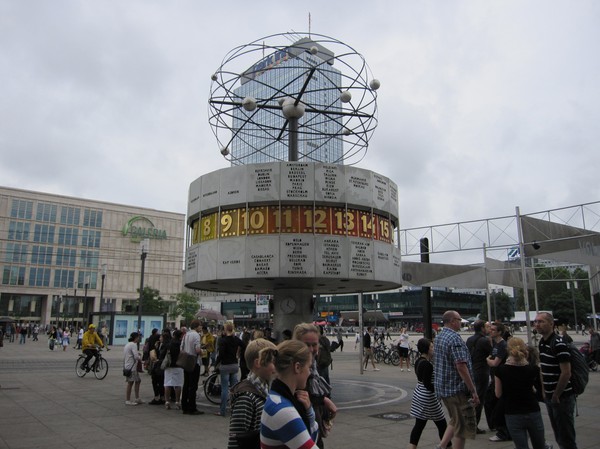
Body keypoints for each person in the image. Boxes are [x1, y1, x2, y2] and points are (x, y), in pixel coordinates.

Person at [260, 339, 319, 449]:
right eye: (309, 367)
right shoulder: (283, 411)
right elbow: (313, 441)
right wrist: (311, 415)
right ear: (297, 367)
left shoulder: (276, 399)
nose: (310, 373)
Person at [433, 310, 479, 449]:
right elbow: (461, 366)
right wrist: (473, 390)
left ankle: (442, 446)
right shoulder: (454, 339)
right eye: (459, 319)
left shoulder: (440, 336)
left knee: (455, 419)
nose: (461, 321)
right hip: (456, 389)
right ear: (452, 321)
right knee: (462, 425)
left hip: (444, 388)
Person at [535, 312, 578, 449]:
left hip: (562, 397)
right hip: (549, 396)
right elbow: (543, 368)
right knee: (558, 433)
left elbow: (566, 373)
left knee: (566, 435)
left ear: (551, 324)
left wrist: (556, 395)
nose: (537, 324)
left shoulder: (559, 344)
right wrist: (544, 390)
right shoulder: (542, 343)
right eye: (536, 321)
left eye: (541, 321)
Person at [494, 337, 545, 449]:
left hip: (512, 412)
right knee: (540, 445)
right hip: (532, 410)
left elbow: (498, 394)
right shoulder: (534, 369)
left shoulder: (500, 370)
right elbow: (542, 392)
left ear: (508, 349)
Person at [293, 323, 338, 449]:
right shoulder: (296, 370)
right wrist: (323, 400)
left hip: (314, 428)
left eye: (315, 344)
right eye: (307, 345)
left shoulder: (313, 367)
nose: (312, 349)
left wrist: (323, 402)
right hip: (302, 429)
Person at [227, 338, 277, 449]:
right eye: (273, 362)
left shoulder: (265, 389)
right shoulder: (246, 397)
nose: (276, 367)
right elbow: (236, 439)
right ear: (258, 363)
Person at [408, 338, 449, 449]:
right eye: (431, 347)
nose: (433, 349)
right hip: (428, 398)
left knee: (419, 425)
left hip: (419, 394)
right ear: (427, 349)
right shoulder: (427, 365)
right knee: (442, 424)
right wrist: (440, 389)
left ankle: (412, 447)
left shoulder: (418, 361)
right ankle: (447, 446)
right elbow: (428, 385)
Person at [485, 321, 510, 442]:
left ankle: (503, 430)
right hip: (495, 377)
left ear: (500, 332)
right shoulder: (495, 344)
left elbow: (494, 362)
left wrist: (488, 360)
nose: (490, 331)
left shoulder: (502, 345)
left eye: (493, 330)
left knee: (496, 403)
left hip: (500, 378)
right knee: (491, 402)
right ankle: (499, 428)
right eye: (490, 329)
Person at [465, 320, 492, 434]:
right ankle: (474, 426)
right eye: (486, 327)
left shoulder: (469, 340)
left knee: (472, 397)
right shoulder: (484, 340)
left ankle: (469, 423)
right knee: (480, 398)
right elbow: (491, 353)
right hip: (482, 371)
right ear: (482, 328)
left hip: (471, 370)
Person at [215, 321, 242, 417]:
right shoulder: (236, 339)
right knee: (234, 389)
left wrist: (216, 364)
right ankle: (235, 410)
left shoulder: (223, 340)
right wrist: (238, 354)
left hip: (225, 366)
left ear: (225, 329)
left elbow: (221, 354)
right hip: (234, 365)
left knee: (225, 389)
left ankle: (222, 411)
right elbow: (244, 345)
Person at [180, 319, 205, 415]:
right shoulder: (196, 335)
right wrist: (202, 352)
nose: (201, 327)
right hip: (194, 361)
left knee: (186, 384)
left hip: (186, 361)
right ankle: (192, 407)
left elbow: (181, 348)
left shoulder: (186, 334)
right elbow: (197, 350)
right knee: (193, 385)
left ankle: (184, 406)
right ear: (197, 326)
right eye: (200, 325)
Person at [162, 329, 183, 410]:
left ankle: (167, 401)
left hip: (169, 365)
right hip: (178, 365)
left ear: (173, 335)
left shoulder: (169, 344)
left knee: (167, 384)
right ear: (180, 336)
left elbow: (163, 354)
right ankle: (177, 402)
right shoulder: (181, 344)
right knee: (178, 384)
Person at [123, 332, 143, 405]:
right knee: (130, 383)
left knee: (138, 381)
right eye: (138, 337)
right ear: (135, 338)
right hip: (132, 367)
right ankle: (128, 400)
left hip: (128, 366)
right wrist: (140, 357)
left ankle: (137, 398)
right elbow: (136, 357)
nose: (139, 338)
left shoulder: (127, 344)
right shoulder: (133, 345)